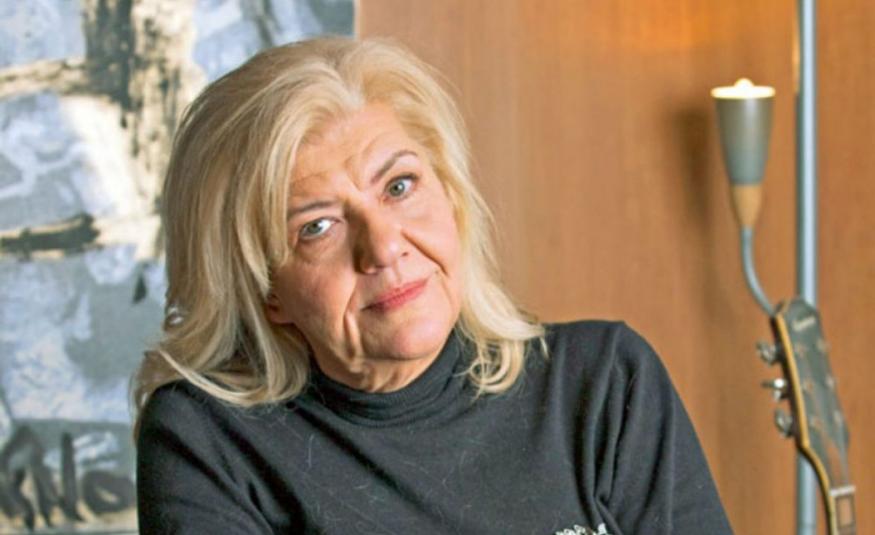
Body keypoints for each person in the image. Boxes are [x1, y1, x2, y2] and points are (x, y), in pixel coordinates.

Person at [133, 37, 733, 534]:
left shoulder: (603, 384)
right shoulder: (211, 441)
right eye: (317, 226)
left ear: (452, 199)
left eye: (399, 186)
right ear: (265, 290)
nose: (384, 247)